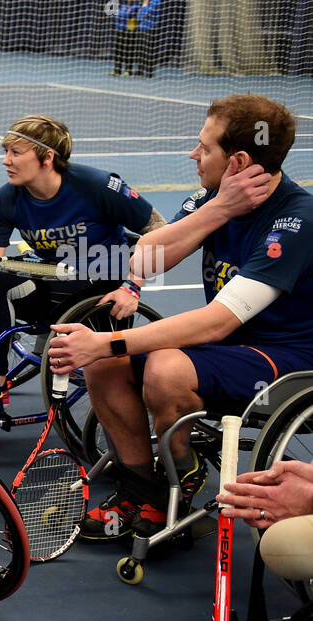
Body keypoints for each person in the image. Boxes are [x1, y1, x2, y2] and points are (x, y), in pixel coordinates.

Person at [49, 94, 313, 542]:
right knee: (104, 366)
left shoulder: (296, 219)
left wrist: (107, 341)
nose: (194, 155)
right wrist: (219, 208)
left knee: (163, 367)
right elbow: (145, 261)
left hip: (286, 361)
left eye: (205, 147)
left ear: (239, 161)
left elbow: (217, 322)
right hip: (226, 351)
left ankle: (183, 471)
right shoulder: (211, 199)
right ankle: (142, 490)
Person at [0, 114, 164, 401]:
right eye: (5, 152)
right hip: (50, 282)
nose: (6, 161)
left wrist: (134, 285)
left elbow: (159, 229)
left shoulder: (97, 186)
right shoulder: (6, 199)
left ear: (46, 158)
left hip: (98, 293)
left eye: (15, 153)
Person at [131, 0, 164, 77]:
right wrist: (144, 11)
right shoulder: (145, 2)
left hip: (151, 28)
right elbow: (139, 16)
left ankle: (149, 72)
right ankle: (140, 70)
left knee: (149, 51)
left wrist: (145, 5)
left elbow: (148, 12)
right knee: (140, 51)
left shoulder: (156, 2)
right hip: (142, 28)